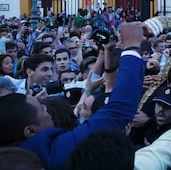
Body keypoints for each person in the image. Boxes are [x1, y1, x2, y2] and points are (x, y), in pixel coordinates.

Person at [0, 21, 146, 170]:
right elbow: (118, 110)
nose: (47, 108)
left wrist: (89, 88)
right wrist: (132, 46)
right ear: (30, 131)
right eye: (42, 108)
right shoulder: (48, 154)